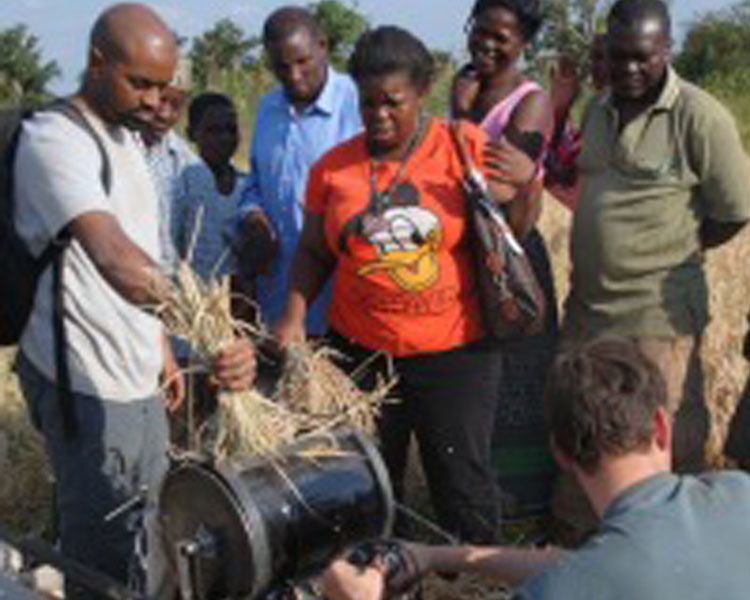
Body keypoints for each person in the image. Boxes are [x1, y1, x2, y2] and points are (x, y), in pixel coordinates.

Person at [12, 4, 256, 598]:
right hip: (85, 380)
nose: (154, 99)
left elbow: (152, 255)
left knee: (151, 520)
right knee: (102, 545)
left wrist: (164, 354)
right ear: (97, 63)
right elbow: (116, 258)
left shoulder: (124, 141)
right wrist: (211, 334)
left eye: (163, 85)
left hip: (138, 374)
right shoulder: (55, 141)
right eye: (139, 83)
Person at [275, 25, 538, 544]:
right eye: (368, 103)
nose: (379, 116)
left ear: (422, 93)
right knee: (366, 482)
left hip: (457, 355)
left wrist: (529, 181)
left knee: (462, 481)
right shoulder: (333, 169)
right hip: (362, 356)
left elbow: (518, 228)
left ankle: (476, 578)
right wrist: (291, 314)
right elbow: (313, 250)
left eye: (393, 102)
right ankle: (378, 575)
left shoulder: (462, 147)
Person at [320, 336, 750, 600]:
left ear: (559, 453)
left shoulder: (568, 587)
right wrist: (439, 556)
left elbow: (587, 575)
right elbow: (590, 568)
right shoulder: (738, 492)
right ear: (661, 425)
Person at [544, 0, 750, 543]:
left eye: (642, 58)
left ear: (666, 51)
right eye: (618, 57)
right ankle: (582, 547)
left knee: (666, 437)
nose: (629, 69)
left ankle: (672, 550)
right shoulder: (599, 107)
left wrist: (678, 247)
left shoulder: (700, 116)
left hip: (659, 316)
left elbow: (734, 210)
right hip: (588, 309)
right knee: (583, 429)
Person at [450, 0, 556, 531]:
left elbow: (490, 190)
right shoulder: (464, 83)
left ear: (524, 43)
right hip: (466, 255)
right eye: (479, 31)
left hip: (508, 258)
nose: (486, 45)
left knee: (514, 389)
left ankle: (520, 517)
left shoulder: (530, 103)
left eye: (502, 37)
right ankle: (480, 511)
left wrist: (462, 117)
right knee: (475, 391)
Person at [235, 6, 361, 336]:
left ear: (323, 46)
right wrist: (253, 217)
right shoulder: (267, 109)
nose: (293, 75)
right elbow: (255, 185)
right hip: (279, 300)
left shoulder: (359, 103)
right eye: (281, 66)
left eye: (302, 62)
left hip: (342, 303)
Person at [140, 59, 198, 272]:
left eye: (176, 105)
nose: (165, 113)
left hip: (168, 289)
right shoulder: (118, 147)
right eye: (161, 101)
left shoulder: (185, 162)